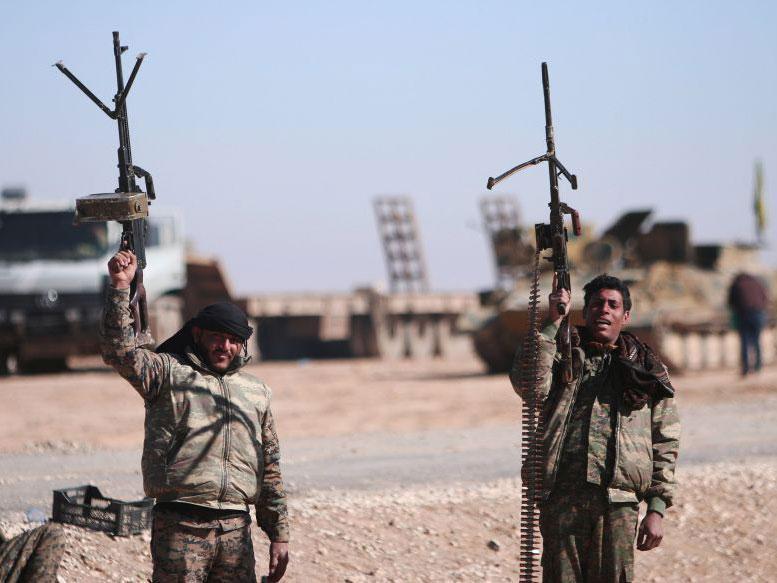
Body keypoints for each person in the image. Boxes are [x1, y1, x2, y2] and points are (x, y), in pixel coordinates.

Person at [102, 250, 289, 583]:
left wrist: (279, 534)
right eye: (217, 336)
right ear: (199, 334)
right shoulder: (166, 374)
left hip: (235, 530)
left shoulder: (256, 392)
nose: (224, 346)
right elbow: (120, 351)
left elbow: (270, 466)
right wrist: (120, 286)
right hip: (181, 525)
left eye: (234, 340)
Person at [510, 274, 680, 583]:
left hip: (617, 505)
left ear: (625, 315)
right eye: (597, 304)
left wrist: (656, 508)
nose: (604, 310)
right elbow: (529, 385)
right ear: (585, 311)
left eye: (613, 305)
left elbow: (665, 443)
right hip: (562, 499)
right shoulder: (561, 356)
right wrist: (552, 323)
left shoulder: (646, 370)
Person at [728, 272, 769, 376]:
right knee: (756, 341)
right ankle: (758, 367)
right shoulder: (758, 283)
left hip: (744, 314)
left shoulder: (737, 284)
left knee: (745, 342)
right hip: (758, 313)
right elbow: (765, 298)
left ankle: (745, 369)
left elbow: (731, 302)